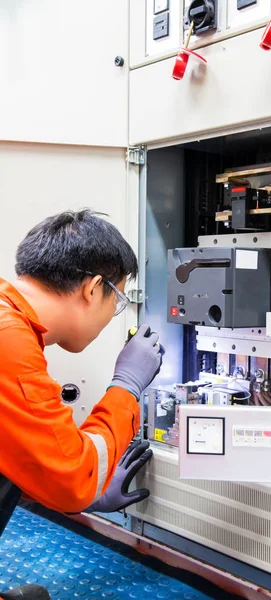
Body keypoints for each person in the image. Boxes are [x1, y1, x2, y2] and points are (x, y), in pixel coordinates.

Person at [0, 210, 163, 600]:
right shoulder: (9, 343)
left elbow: (18, 451)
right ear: (92, 289)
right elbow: (72, 480)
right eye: (119, 299)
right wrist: (127, 384)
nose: (113, 314)